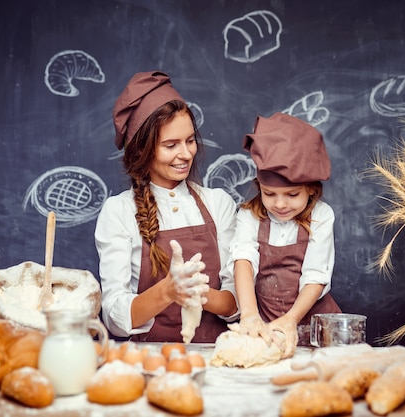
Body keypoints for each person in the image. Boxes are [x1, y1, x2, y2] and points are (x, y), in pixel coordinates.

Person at [95, 71, 238, 343]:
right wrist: (169, 291)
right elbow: (114, 317)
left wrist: (197, 292)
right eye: (170, 145)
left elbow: (235, 304)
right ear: (142, 150)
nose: (185, 154)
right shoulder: (119, 212)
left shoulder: (218, 203)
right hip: (150, 360)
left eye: (190, 140)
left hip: (216, 357)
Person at [229, 112, 341, 357]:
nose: (280, 204)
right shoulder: (249, 215)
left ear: (311, 190)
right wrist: (249, 316)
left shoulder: (322, 216)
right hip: (267, 326)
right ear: (259, 187)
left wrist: (291, 320)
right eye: (269, 194)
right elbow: (244, 261)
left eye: (292, 195)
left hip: (317, 327)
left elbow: (315, 275)